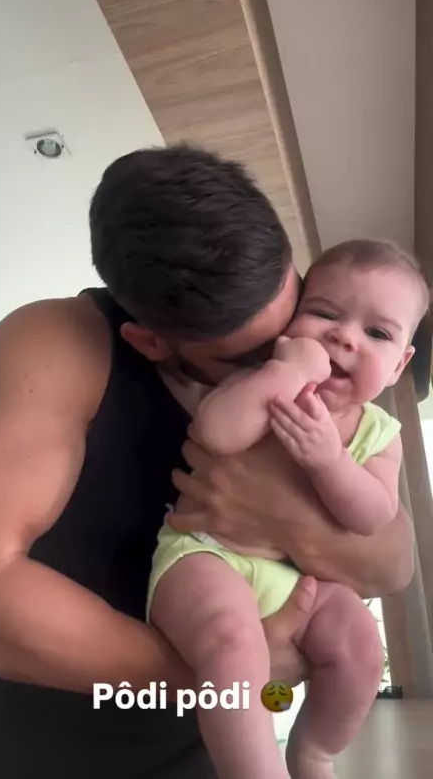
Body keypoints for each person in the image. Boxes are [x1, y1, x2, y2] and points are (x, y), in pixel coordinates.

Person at [0, 145, 414, 778]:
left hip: (206, 753)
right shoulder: (58, 345)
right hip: (33, 751)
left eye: (298, 316)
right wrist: (227, 668)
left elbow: (393, 562)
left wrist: (280, 515)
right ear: (149, 341)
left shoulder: (330, 385)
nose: (297, 358)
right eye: (249, 359)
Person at [148, 239, 428, 779]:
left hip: (296, 576)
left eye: (377, 333)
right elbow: (216, 432)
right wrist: (285, 373)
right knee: (230, 641)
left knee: (360, 645)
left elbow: (373, 515)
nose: (344, 337)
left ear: (399, 365)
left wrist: (330, 462)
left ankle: (314, 751)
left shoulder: (379, 433)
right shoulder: (263, 383)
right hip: (205, 556)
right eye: (324, 313)